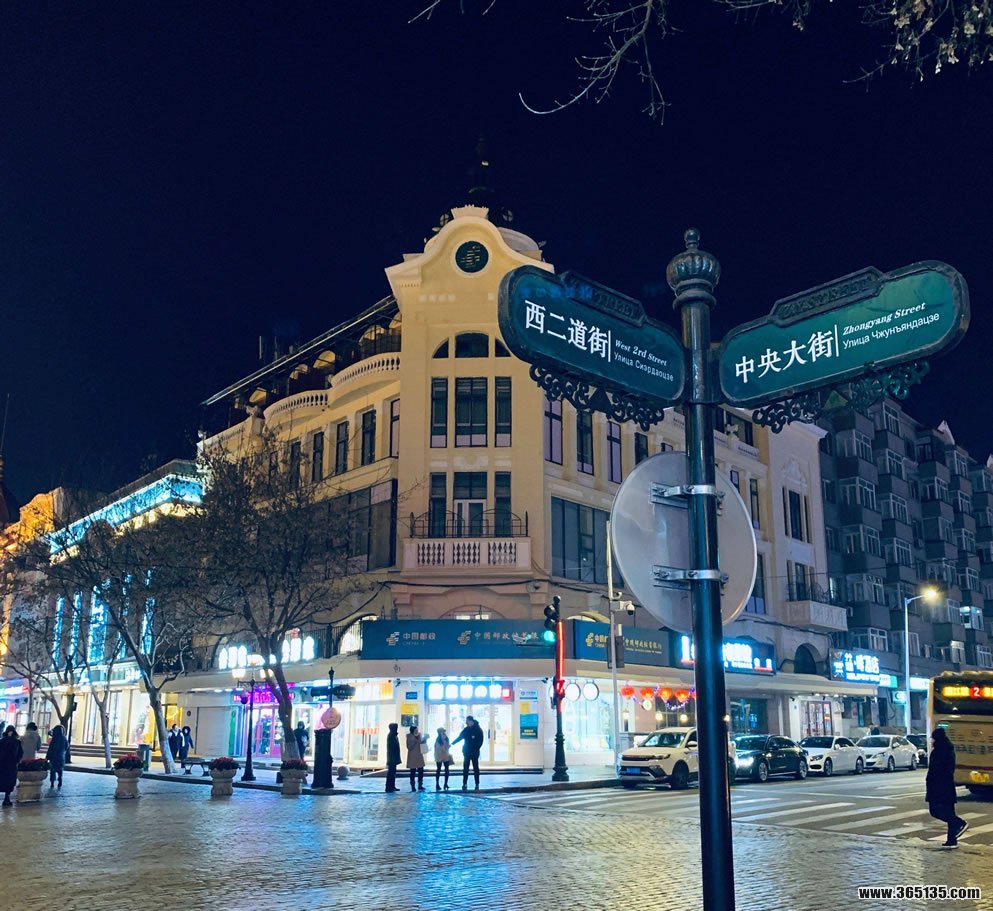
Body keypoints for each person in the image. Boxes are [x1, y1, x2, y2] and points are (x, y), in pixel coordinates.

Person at [926, 727, 968, 848]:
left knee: (935, 810)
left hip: (939, 786)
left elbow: (935, 770)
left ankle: (959, 823)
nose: (931, 741)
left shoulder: (939, 752)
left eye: (933, 738)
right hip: (947, 786)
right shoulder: (948, 749)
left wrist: (931, 783)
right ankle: (952, 840)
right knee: (949, 811)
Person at [453, 715, 484, 791]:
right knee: (465, 768)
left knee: (475, 768)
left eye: (467, 721)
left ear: (471, 721)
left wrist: (476, 748)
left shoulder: (478, 729)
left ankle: (477, 783)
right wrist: (452, 743)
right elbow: (460, 737)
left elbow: (480, 741)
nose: (466, 723)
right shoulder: (466, 729)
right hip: (467, 752)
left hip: (474, 752)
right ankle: (464, 783)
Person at [0, 726, 23, 806]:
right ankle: (7, 798)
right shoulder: (17, 742)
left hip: (2, 764)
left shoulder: (2, 741)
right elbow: (20, 753)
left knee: (1, 780)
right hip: (11, 765)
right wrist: (16, 761)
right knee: (10, 781)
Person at [406, 725, 426, 792]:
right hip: (412, 757)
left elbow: (421, 744)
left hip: (419, 756)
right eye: (415, 730)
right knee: (413, 772)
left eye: (417, 730)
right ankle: (413, 786)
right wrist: (414, 740)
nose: (417, 731)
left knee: (421, 771)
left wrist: (424, 740)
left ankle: (420, 785)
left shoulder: (419, 735)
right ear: (412, 730)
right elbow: (409, 747)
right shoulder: (409, 736)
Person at [385, 723, 401, 793]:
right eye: (396, 727)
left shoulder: (394, 735)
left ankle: (392, 786)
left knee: (393, 772)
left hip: (394, 757)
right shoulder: (391, 735)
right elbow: (392, 747)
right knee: (391, 773)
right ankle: (389, 787)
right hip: (392, 758)